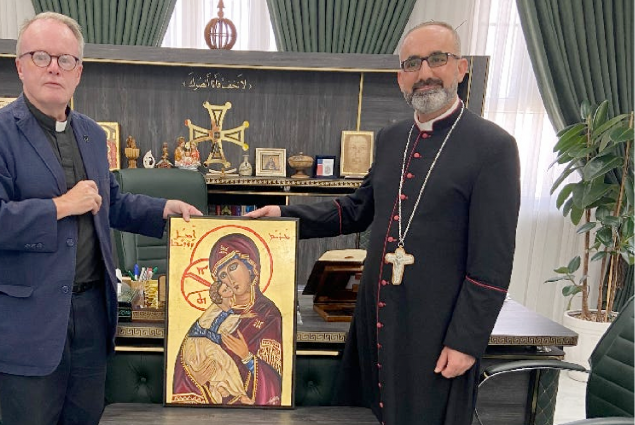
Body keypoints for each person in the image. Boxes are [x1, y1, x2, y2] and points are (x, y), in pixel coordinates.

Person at [247, 21, 520, 425]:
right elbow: (358, 209)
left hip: (435, 329)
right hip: (373, 322)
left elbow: (493, 264)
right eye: (412, 63)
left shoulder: (493, 147)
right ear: (400, 78)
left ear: (461, 68)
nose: (424, 72)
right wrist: (284, 216)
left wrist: (466, 341)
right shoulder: (393, 138)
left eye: (437, 59)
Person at [0, 12, 201, 425]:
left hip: (91, 316)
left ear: (78, 71)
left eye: (65, 59)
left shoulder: (91, 133)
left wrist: (162, 210)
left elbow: (110, 201)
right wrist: (60, 206)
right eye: (41, 56)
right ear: (20, 66)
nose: (54, 67)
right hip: (27, 324)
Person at [171, 233, 283, 405]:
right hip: (210, 410)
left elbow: (274, 378)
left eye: (233, 267)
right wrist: (196, 379)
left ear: (251, 265)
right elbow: (185, 365)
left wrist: (247, 357)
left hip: (251, 413)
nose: (229, 279)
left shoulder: (268, 314)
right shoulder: (212, 315)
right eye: (222, 275)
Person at [177, 280, 252, 405]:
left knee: (217, 366)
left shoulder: (228, 310)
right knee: (226, 362)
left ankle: (220, 387)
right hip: (199, 342)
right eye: (225, 289)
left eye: (228, 287)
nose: (229, 289)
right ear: (219, 295)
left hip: (207, 343)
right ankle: (240, 393)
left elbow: (226, 325)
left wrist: (241, 317)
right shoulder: (215, 308)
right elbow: (209, 326)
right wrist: (242, 317)